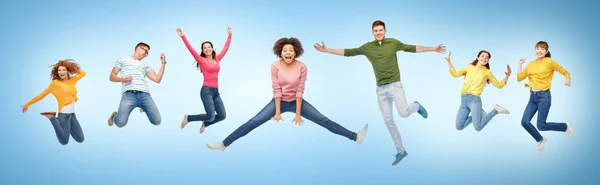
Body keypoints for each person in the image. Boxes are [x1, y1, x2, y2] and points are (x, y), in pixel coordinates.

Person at [313, 20, 445, 166]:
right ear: (372, 32)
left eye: (381, 30)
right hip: (381, 90)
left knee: (404, 113)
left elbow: (412, 48)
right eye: (376, 31)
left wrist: (433, 48)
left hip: (395, 86)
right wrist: (327, 50)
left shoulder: (393, 43)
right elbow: (348, 52)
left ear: (385, 30)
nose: (378, 33)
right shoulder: (367, 47)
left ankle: (416, 106)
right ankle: (401, 151)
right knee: (388, 121)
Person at [205, 37, 369, 151]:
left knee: (322, 120)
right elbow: (276, 89)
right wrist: (277, 112)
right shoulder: (275, 66)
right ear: (280, 52)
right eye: (285, 50)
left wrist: (298, 114)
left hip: (297, 101)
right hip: (279, 101)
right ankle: (224, 144)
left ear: (295, 52)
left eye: (291, 50)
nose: (288, 53)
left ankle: (355, 137)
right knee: (254, 121)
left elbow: (299, 91)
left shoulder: (302, 67)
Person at [517, 41, 574, 154]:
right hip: (533, 97)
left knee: (541, 126)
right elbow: (519, 78)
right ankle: (541, 140)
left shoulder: (549, 62)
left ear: (546, 51)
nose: (539, 50)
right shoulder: (531, 64)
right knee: (524, 122)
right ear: (535, 50)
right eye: (537, 48)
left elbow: (564, 71)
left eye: (542, 49)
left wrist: (567, 79)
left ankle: (565, 126)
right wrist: (520, 64)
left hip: (544, 97)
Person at [177, 27, 232, 133]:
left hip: (216, 92)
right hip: (206, 91)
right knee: (210, 116)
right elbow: (191, 49)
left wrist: (229, 35)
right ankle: (188, 118)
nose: (207, 49)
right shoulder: (201, 60)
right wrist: (183, 36)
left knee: (222, 115)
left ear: (212, 48)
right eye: (204, 48)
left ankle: (205, 123)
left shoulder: (217, 59)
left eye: (209, 47)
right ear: (202, 50)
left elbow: (226, 48)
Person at [21, 59, 86, 145]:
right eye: (59, 70)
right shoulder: (55, 84)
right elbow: (42, 95)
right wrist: (27, 104)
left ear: (67, 71)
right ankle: (52, 118)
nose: (61, 72)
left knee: (80, 139)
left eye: (64, 69)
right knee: (64, 141)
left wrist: (71, 65)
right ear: (57, 72)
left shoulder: (72, 80)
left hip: (72, 115)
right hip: (63, 115)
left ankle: (65, 128)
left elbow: (83, 73)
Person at [445, 50, 511, 132]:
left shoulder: (487, 72)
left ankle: (495, 110)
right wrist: (449, 61)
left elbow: (499, 85)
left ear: (487, 61)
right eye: (482, 56)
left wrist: (507, 76)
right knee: (459, 126)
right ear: (478, 57)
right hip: (463, 99)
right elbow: (455, 74)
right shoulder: (469, 67)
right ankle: (480, 114)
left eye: (487, 58)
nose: (484, 58)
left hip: (474, 100)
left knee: (478, 127)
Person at [107, 42, 167, 128]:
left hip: (144, 95)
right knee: (120, 123)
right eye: (145, 50)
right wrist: (122, 79)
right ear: (138, 48)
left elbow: (157, 79)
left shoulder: (145, 65)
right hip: (128, 95)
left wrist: (163, 62)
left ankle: (145, 107)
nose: (146, 54)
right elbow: (112, 77)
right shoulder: (122, 59)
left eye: (147, 53)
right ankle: (113, 117)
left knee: (157, 121)